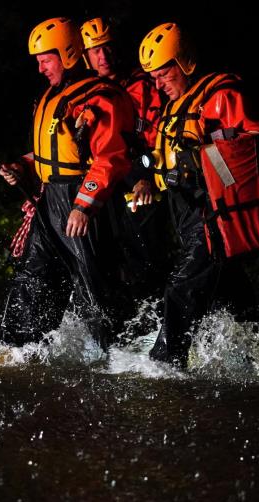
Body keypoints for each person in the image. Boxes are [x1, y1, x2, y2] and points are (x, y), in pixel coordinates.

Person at [135, 22, 259, 366]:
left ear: (184, 61)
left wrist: (202, 157)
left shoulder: (221, 96)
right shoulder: (174, 105)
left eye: (163, 74)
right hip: (186, 213)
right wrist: (147, 180)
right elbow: (166, 160)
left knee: (181, 288)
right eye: (153, 78)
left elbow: (253, 147)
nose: (157, 84)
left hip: (215, 214)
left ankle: (162, 366)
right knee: (234, 301)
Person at [0, 17, 135, 349]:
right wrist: (21, 166)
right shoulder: (49, 98)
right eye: (38, 62)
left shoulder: (101, 97)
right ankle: (18, 348)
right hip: (51, 201)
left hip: (84, 202)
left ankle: (119, 357)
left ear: (68, 53)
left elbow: (109, 157)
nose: (41, 69)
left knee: (94, 288)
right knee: (34, 275)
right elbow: (50, 156)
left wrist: (84, 204)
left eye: (46, 60)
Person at [80, 17, 168, 298]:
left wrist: (146, 179)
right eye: (96, 51)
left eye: (107, 48)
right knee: (105, 261)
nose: (103, 56)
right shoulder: (83, 93)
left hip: (137, 175)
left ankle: (159, 321)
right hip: (102, 183)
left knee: (146, 257)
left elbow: (156, 137)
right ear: (85, 56)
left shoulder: (141, 86)